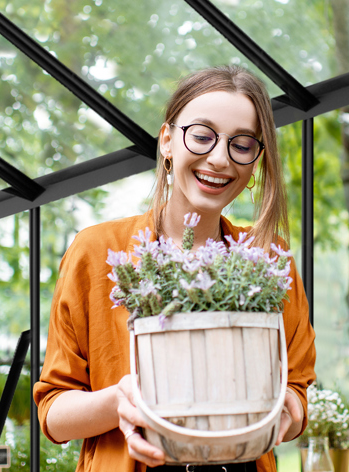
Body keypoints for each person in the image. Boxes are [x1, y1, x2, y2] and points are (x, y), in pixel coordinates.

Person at [33, 65, 316, 472]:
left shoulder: (270, 258)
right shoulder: (97, 252)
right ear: (167, 140)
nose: (219, 159)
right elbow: (54, 413)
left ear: (256, 159)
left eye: (242, 144)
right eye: (201, 136)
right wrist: (120, 402)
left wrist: (286, 413)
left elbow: (297, 392)